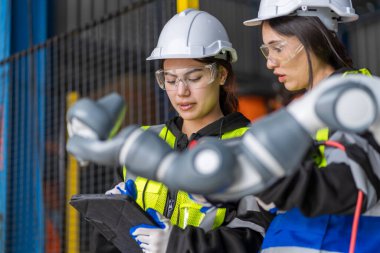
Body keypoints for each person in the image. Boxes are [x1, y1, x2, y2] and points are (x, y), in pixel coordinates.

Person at [93, 8, 270, 253]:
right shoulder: (141, 142)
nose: (181, 91)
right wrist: (113, 217)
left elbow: (254, 237)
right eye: (171, 79)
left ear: (220, 75)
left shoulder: (251, 147)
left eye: (194, 77)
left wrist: (179, 245)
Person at [241, 0, 380, 252]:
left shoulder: (361, 98)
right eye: (266, 50)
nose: (269, 63)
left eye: (278, 48)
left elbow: (352, 187)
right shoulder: (298, 114)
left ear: (314, 38)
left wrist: (267, 181)